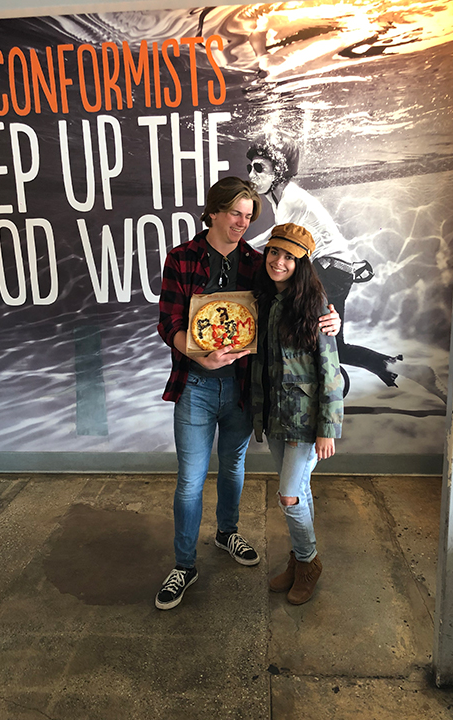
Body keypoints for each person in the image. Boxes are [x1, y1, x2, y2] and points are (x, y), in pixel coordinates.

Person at [155, 177, 341, 611]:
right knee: (189, 481)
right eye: (235, 213)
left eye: (248, 215)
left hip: (243, 389)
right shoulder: (181, 258)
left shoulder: (258, 262)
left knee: (234, 465)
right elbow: (168, 323)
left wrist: (330, 316)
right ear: (213, 213)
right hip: (196, 386)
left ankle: (227, 532)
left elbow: (297, 289)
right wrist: (199, 357)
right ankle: (184, 564)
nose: (242, 222)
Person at [246, 131, 403, 390]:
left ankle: (346, 380)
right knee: (333, 344)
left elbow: (277, 240)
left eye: (259, 167)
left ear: (280, 168)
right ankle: (387, 367)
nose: (251, 175)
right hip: (334, 270)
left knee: (315, 337)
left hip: (328, 270)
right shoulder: (284, 198)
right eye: (250, 167)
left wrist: (242, 247)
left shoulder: (291, 200)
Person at [251, 222, 344, 604]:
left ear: (302, 263)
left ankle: (308, 563)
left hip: (305, 424)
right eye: (275, 252)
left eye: (290, 256)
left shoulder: (317, 306)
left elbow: (330, 370)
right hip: (275, 416)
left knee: (289, 496)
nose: (279, 261)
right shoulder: (263, 299)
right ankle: (297, 559)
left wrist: (328, 429)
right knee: (299, 492)